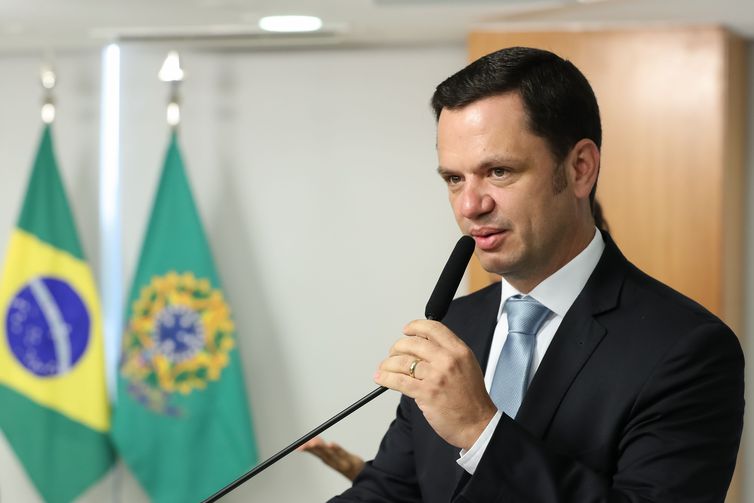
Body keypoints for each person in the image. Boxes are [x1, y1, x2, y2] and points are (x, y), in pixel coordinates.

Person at [328, 46, 744, 502]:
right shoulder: (454, 326)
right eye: (454, 179)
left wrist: (480, 430)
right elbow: (389, 492)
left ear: (580, 168)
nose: (470, 206)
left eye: (498, 171)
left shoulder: (685, 348)